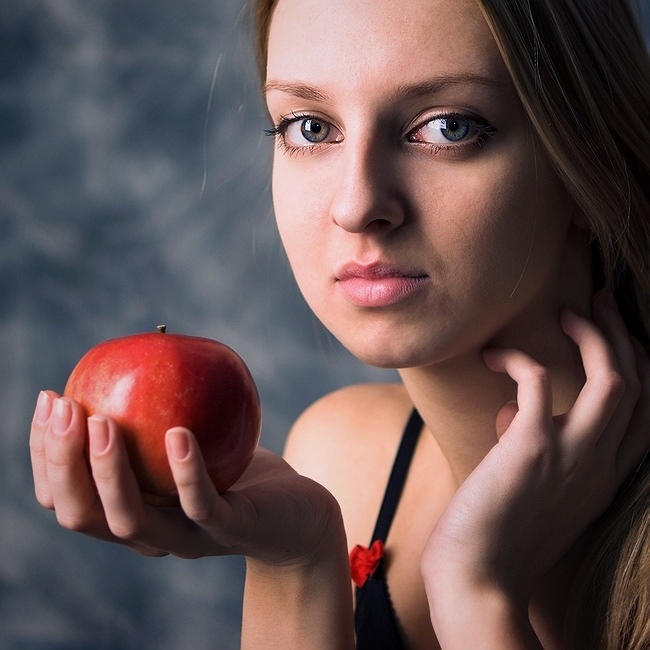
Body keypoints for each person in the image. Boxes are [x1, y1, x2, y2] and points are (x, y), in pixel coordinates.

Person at [30, 0, 649, 647]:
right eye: (311, 127)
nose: (357, 205)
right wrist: (294, 563)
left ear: (589, 162)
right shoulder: (345, 459)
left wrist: (477, 592)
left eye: (448, 127)